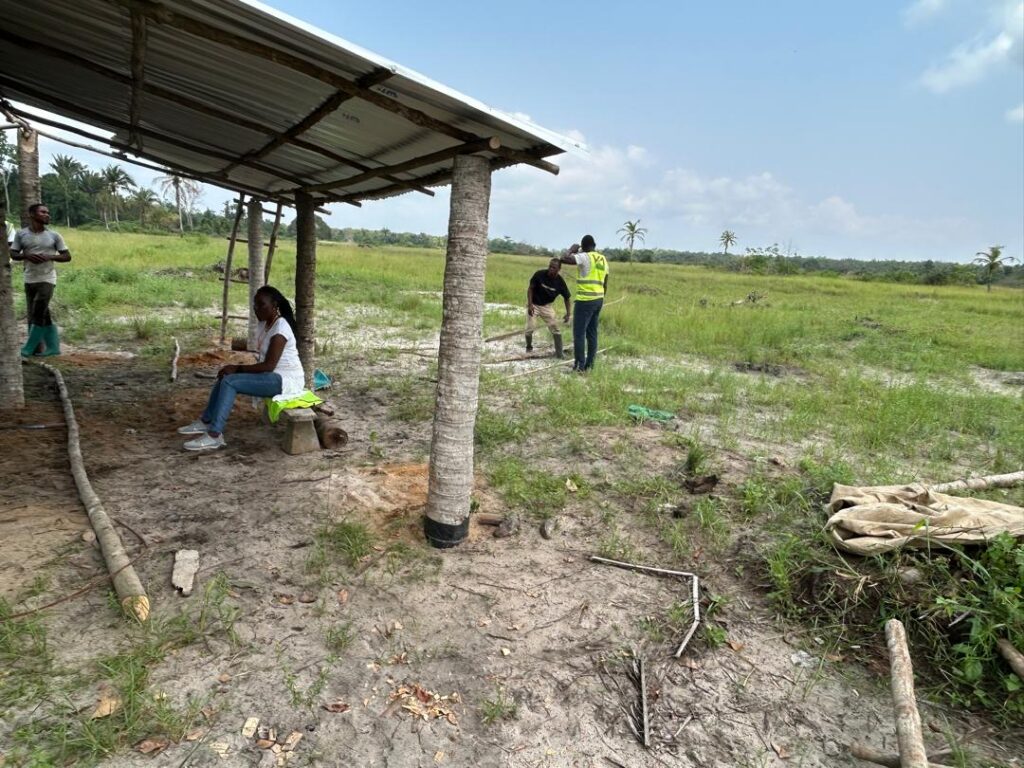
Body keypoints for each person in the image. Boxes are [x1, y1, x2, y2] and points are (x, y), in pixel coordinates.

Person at [177, 285, 306, 451]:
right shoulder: (265, 323)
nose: (256, 308)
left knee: (230, 381)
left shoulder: (280, 329)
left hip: (286, 380)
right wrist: (234, 369)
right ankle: (206, 421)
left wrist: (237, 368)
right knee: (226, 376)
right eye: (254, 305)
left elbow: (269, 365)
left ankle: (215, 435)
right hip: (272, 376)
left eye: (261, 304)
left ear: (274, 305)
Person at [10, 203, 72, 357]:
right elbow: (13, 254)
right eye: (43, 212)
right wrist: (26, 255)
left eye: (47, 212)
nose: (47, 215)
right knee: (43, 313)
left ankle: (28, 348)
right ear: (32, 215)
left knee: (38, 311)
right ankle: (53, 348)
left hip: (47, 278)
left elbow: (67, 256)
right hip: (29, 278)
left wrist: (49, 257)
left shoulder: (54, 236)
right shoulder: (21, 234)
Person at [559, 234, 609, 372]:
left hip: (585, 301)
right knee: (592, 334)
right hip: (598, 300)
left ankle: (579, 366)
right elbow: (605, 283)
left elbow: (563, 259)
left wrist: (572, 249)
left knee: (579, 334)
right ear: (594, 245)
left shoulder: (585, 256)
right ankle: (589, 365)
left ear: (583, 247)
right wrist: (600, 298)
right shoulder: (603, 259)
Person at [526, 258, 571, 358]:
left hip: (546, 307)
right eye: (550, 266)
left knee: (556, 330)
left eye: (553, 268)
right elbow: (530, 289)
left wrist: (568, 314)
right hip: (534, 305)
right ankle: (529, 347)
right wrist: (530, 304)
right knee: (530, 329)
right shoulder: (539, 274)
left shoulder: (560, 282)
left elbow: (567, 298)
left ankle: (559, 354)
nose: (550, 269)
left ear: (559, 269)